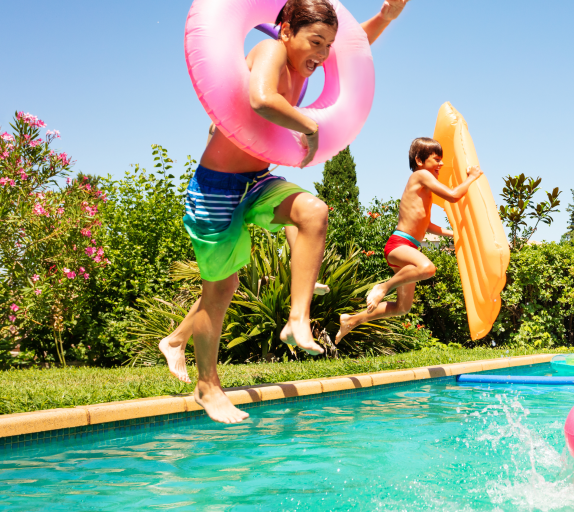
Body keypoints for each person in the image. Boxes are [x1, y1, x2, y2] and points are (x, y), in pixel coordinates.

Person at [164, 0, 410, 424]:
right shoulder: (271, 51)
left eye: (328, 45)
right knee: (221, 288)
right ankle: (206, 385)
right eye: (315, 42)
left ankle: (298, 319)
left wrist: (384, 18)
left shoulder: (306, 64)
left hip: (257, 180)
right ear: (285, 31)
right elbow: (260, 99)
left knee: (313, 212)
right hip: (216, 188)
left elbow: (352, 54)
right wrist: (309, 126)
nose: (323, 53)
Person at [334, 137, 482, 342]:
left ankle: (351, 320)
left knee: (401, 308)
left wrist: (454, 234)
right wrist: (472, 177)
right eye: (436, 159)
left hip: (409, 247)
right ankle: (383, 287)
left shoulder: (424, 187)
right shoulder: (421, 175)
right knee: (428, 269)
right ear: (420, 160)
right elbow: (453, 195)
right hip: (399, 244)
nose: (441, 164)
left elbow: (426, 225)